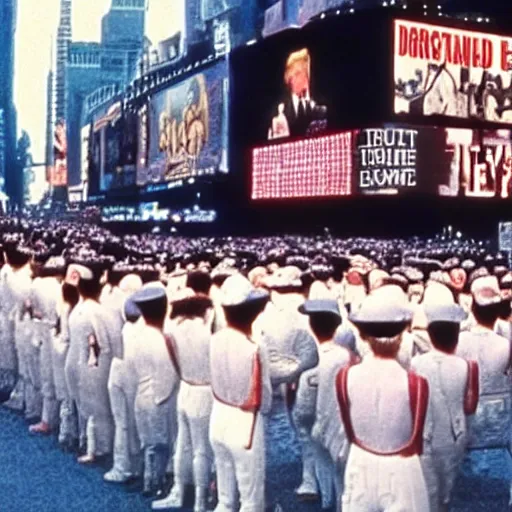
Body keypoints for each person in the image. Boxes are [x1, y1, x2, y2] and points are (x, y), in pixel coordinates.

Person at [337, 286, 430, 511]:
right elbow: (417, 440)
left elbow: (349, 431)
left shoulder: (345, 376)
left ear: (363, 336)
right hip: (402, 467)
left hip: (361, 460)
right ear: (401, 339)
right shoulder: (416, 383)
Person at [209, 273, 272, 512]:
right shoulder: (254, 347)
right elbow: (264, 397)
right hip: (246, 423)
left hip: (218, 416)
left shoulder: (214, 339)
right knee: (251, 496)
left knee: (225, 498)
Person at [411, 301, 479, 512]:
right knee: (447, 491)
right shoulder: (467, 366)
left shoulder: (416, 364)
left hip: (424, 435)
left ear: (430, 335)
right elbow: (470, 407)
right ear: (456, 336)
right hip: (455, 434)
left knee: (427, 490)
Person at [153, 288, 215, 512]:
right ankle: (201, 499)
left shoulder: (173, 331)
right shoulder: (207, 334)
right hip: (205, 391)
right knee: (201, 450)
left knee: (183, 445)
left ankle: (178, 491)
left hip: (185, 388)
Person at [300, 299, 356, 510]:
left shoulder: (310, 358)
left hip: (317, 422)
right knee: (344, 480)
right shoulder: (349, 357)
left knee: (323, 465)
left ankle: (326, 501)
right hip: (343, 425)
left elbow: (302, 406)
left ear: (312, 327)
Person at [131, 283, 180, 496]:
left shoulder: (138, 335)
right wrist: (164, 399)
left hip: (141, 393)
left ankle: (148, 479)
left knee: (148, 441)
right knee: (159, 444)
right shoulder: (159, 339)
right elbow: (167, 375)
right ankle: (155, 483)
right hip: (157, 396)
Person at [269, 48, 326, 139]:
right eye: (290, 76)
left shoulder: (322, 106)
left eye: (297, 74)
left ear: (307, 74)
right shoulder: (278, 111)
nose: (292, 80)